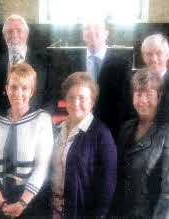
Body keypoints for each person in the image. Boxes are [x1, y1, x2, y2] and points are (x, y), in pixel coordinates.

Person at [0, 63, 54, 218]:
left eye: (24, 88)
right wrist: (0, 200)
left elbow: (42, 167)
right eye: (13, 87)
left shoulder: (42, 120)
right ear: (6, 88)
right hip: (2, 199)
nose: (18, 93)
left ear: (32, 91)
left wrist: (23, 203)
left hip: (33, 200)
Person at [111, 69, 169, 218]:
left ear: (159, 97)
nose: (143, 100)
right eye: (138, 94)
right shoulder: (126, 128)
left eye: (149, 94)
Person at [52, 72, 117, 218]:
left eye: (82, 98)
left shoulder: (102, 135)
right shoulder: (55, 129)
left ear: (92, 102)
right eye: (71, 97)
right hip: (53, 211)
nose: (76, 103)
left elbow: (108, 184)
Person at [0, 14, 56, 120]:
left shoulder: (44, 62)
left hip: (34, 124)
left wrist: (40, 122)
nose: (14, 35)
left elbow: (51, 99)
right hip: (2, 123)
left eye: (19, 31)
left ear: (27, 33)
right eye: (9, 31)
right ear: (4, 36)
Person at [69, 19, 134, 138]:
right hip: (79, 130)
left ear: (106, 33)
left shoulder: (122, 65)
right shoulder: (73, 62)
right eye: (87, 28)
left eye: (97, 27)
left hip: (111, 131)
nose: (92, 31)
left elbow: (126, 104)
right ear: (83, 34)